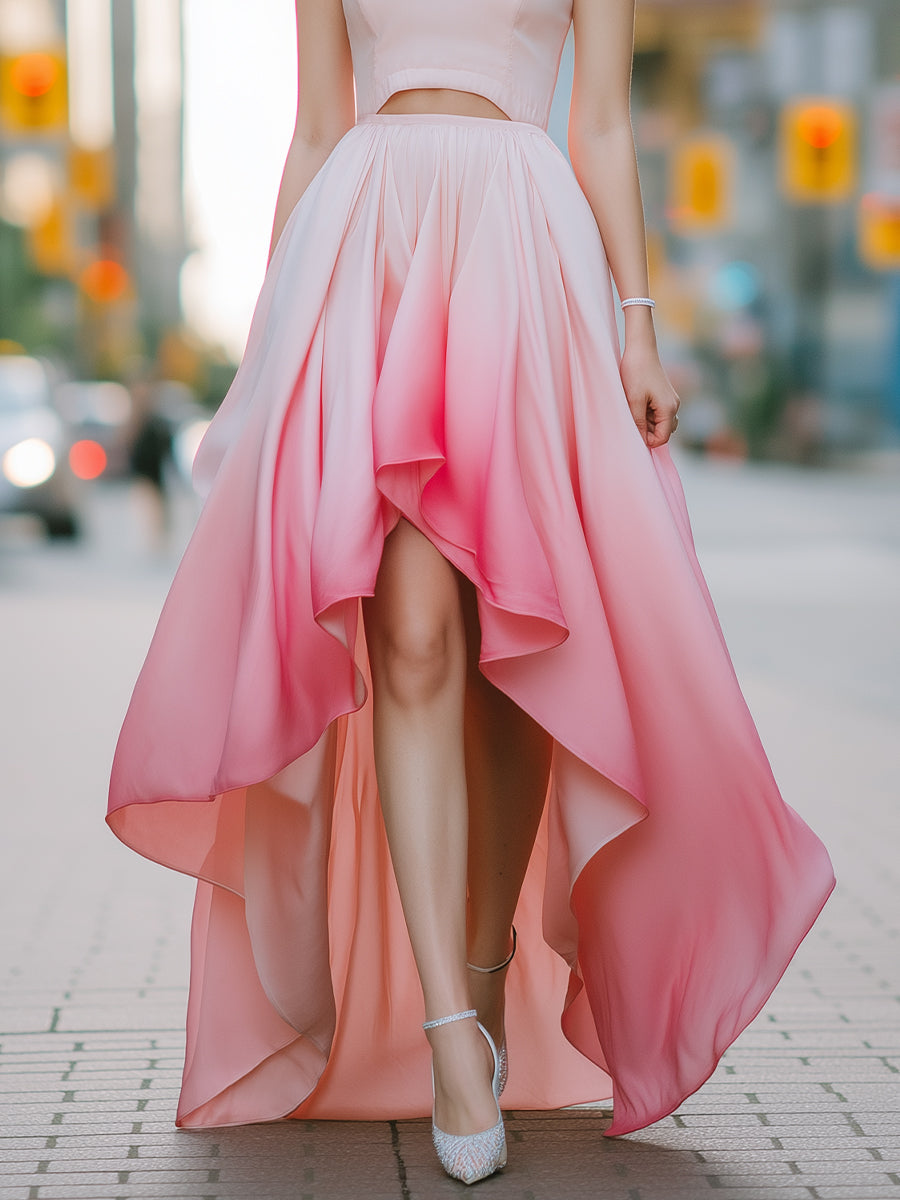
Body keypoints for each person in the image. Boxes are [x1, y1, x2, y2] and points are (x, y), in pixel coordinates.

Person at [107, 0, 835, 1187]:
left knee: (523, 651)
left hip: (523, 252)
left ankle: (484, 971)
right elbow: (313, 124)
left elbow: (601, 122)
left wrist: (637, 325)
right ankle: (453, 1036)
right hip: (368, 242)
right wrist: (270, 339)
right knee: (411, 633)